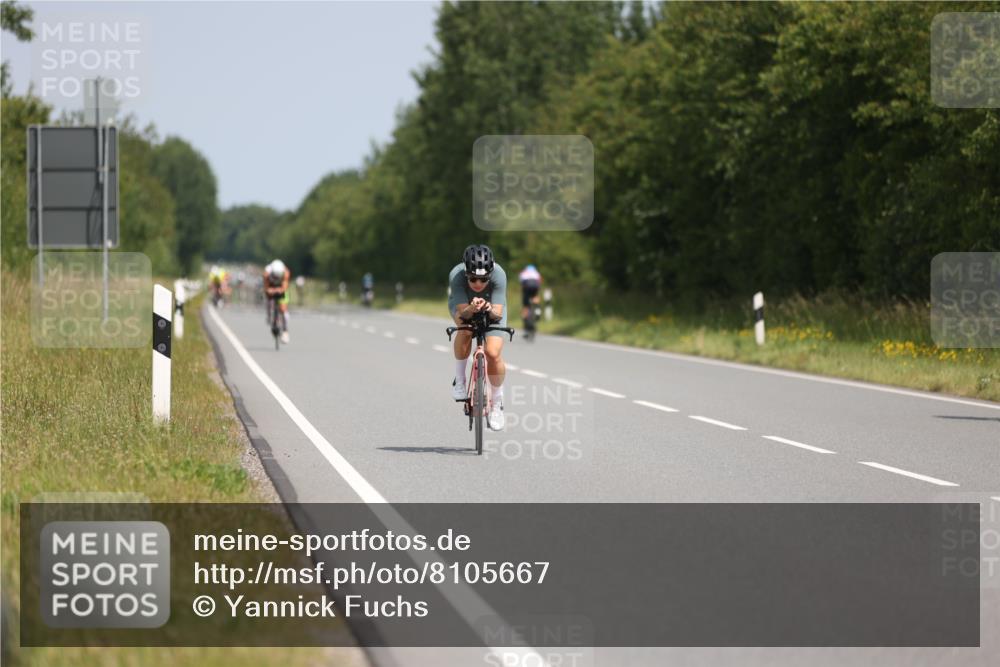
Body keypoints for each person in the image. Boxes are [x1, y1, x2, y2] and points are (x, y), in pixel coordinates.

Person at [447, 244, 508, 431]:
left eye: (483, 280)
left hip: (493, 308)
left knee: (492, 353)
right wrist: (472, 309)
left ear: (490, 274)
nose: (478, 284)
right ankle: (460, 380)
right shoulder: (456, 275)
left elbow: (497, 313)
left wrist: (488, 308)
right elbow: (462, 313)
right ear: (466, 273)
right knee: (464, 330)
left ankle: (497, 404)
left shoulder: (499, 274)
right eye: (473, 279)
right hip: (464, 307)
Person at [263, 259, 291, 343]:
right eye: (275, 276)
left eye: (278, 277)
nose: (276, 278)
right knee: (269, 299)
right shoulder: (266, 273)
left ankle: (285, 331)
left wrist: (280, 290)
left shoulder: (286, 273)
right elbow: (266, 287)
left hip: (281, 288)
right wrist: (269, 290)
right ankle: (269, 315)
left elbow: (285, 287)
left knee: (283, 308)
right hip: (270, 286)